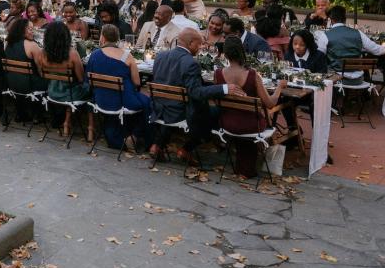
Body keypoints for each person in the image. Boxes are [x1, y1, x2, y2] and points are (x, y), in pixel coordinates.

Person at [149, 28, 242, 161]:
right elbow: (196, 93)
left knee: (181, 105)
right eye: (199, 44)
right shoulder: (191, 62)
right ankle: (187, 149)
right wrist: (224, 88)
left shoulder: (161, 56)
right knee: (216, 112)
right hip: (180, 112)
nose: (200, 48)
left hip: (159, 108)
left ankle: (157, 145)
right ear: (191, 43)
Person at [214, 36, 288, 178]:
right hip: (251, 125)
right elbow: (270, 103)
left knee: (242, 116)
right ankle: (246, 169)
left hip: (227, 123)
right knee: (263, 114)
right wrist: (279, 87)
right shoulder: (252, 75)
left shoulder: (218, 74)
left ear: (226, 54)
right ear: (242, 52)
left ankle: (241, 166)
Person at [85, 24, 152, 151]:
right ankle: (137, 136)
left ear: (103, 38)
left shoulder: (94, 55)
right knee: (149, 102)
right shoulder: (126, 56)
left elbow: (88, 78)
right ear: (117, 39)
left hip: (101, 100)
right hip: (123, 101)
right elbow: (137, 83)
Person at [41, 21, 91, 139]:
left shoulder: (43, 53)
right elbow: (80, 78)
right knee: (91, 88)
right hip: (69, 94)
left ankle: (66, 122)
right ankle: (88, 127)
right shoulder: (72, 54)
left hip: (52, 92)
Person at [313, 5, 385, 72]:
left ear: (331, 19)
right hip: (358, 79)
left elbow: (319, 56)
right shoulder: (358, 33)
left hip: (336, 79)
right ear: (345, 19)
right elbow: (377, 50)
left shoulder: (325, 35)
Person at [3, 17, 48, 123]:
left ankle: (21, 113)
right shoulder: (32, 45)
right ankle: (38, 114)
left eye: (33, 29)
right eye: (29, 28)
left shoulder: (7, 43)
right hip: (29, 85)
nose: (32, 31)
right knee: (48, 79)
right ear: (21, 29)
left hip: (12, 82)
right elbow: (41, 69)